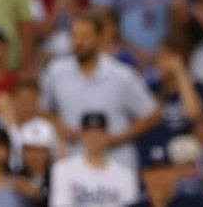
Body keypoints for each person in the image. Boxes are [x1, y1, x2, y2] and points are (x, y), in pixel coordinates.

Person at [40, 12, 159, 172]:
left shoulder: (122, 75)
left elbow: (152, 114)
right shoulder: (56, 72)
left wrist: (117, 138)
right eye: (74, 36)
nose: (78, 42)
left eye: (85, 36)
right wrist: (61, 127)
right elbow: (43, 110)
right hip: (72, 163)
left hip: (117, 163)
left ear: (100, 39)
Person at [49, 112, 139, 207]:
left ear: (107, 135)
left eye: (98, 133)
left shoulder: (125, 175)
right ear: (82, 135)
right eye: (89, 133)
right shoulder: (63, 169)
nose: (94, 138)